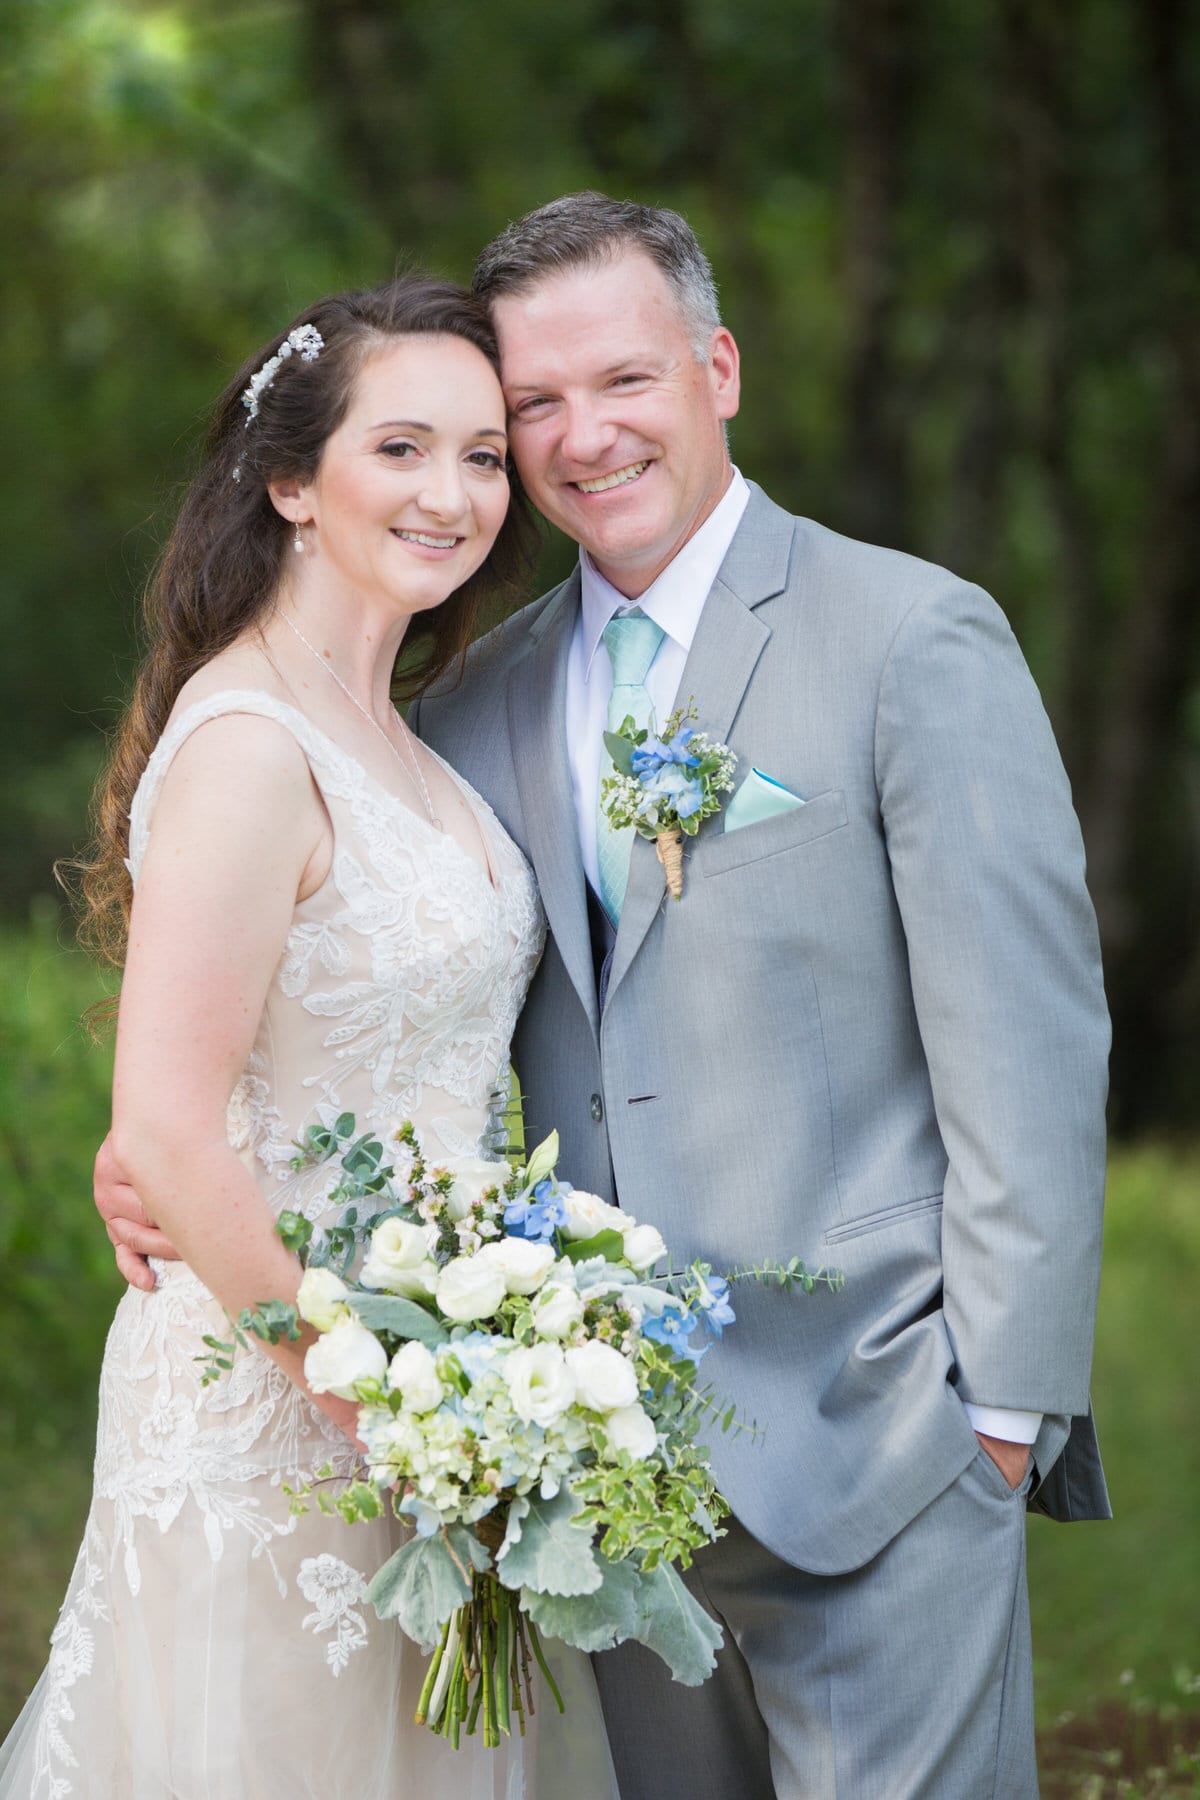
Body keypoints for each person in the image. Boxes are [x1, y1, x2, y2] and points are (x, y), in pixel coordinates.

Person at [98, 193, 1111, 1797]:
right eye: (534, 409)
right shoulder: (476, 693)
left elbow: (1032, 1045)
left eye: (620, 382)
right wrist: (175, 1138)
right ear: (295, 480)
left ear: (717, 369)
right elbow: (359, 993)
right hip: (581, 1466)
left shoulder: (911, 635)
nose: (576, 439)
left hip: (882, 1429)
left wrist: (1006, 1411)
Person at [3, 277, 619, 1798]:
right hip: (282, 1404)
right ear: (291, 480)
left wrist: (478, 1398)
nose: (455, 493)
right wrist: (372, 1395)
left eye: (484, 455)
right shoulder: (247, 746)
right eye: (401, 448)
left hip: (450, 1388)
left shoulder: (415, 736)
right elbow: (168, 1129)